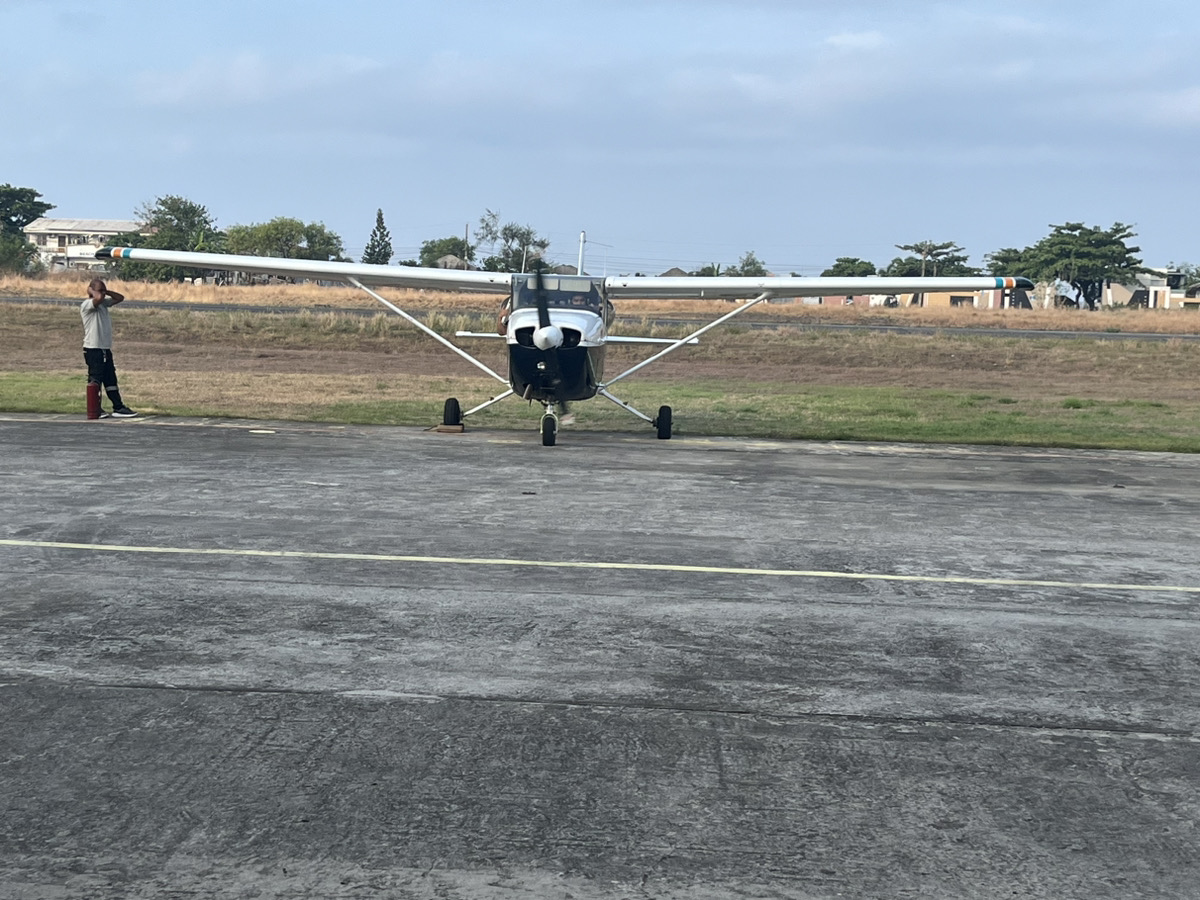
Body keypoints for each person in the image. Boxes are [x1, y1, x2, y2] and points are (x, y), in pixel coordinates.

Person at [81, 278, 137, 417]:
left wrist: (107, 291)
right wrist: (94, 291)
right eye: (99, 290)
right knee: (95, 379)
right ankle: (95, 408)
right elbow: (98, 298)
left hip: (104, 348)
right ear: (91, 290)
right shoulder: (87, 305)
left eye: (103, 290)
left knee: (110, 378)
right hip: (93, 348)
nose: (102, 293)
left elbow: (120, 298)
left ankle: (118, 407)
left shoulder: (103, 304)